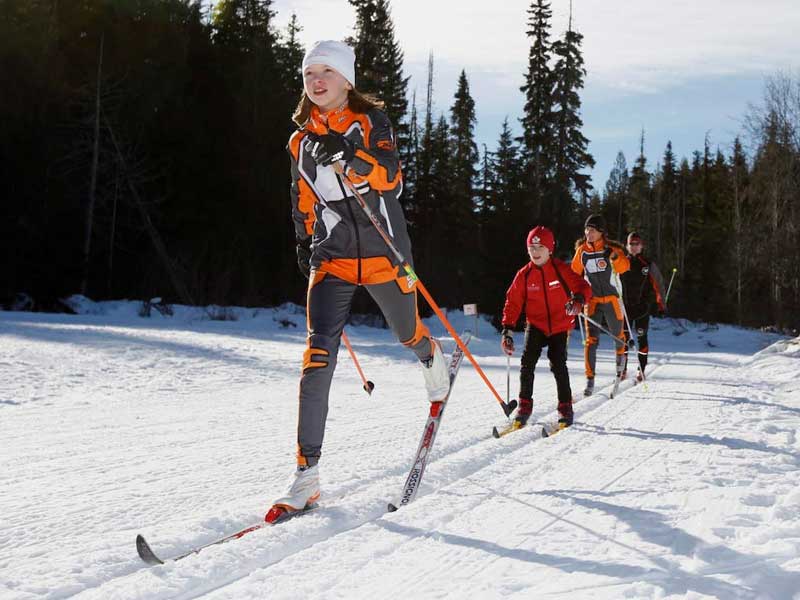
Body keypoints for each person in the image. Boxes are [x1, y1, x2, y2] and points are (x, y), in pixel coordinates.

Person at [266, 41, 450, 521]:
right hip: (334, 258)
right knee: (317, 356)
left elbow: (391, 177)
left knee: (406, 332)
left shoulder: (371, 122)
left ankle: (431, 355)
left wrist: (349, 154)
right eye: (310, 73)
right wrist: (303, 239)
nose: (317, 80)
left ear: (346, 80)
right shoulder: (298, 141)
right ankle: (306, 475)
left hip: (386, 253)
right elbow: (302, 196)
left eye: (327, 72)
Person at [500, 226, 593, 429]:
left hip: (560, 325)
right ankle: (524, 406)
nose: (535, 251)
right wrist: (507, 330)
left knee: (558, 364)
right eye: (531, 248)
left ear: (550, 249)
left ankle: (565, 407)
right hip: (536, 324)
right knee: (527, 363)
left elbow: (583, 287)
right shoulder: (524, 275)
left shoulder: (561, 270)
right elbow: (512, 303)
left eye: (540, 247)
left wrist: (578, 300)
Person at [571, 215, 630, 396]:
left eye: (593, 230)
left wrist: (614, 257)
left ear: (601, 232)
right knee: (591, 341)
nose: (588, 233)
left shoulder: (612, 249)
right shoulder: (582, 251)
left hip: (612, 300)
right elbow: (573, 274)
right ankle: (590, 379)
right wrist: (575, 295)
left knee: (619, 337)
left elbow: (624, 267)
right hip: (592, 301)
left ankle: (620, 372)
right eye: (587, 229)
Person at [620, 231, 667, 381]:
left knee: (641, 337)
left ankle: (641, 369)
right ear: (627, 246)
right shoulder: (621, 262)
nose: (634, 247)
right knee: (623, 339)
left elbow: (659, 285)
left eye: (636, 244)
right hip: (625, 309)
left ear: (641, 246)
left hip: (642, 308)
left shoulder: (647, 264)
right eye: (631, 244)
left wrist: (661, 305)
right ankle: (622, 370)